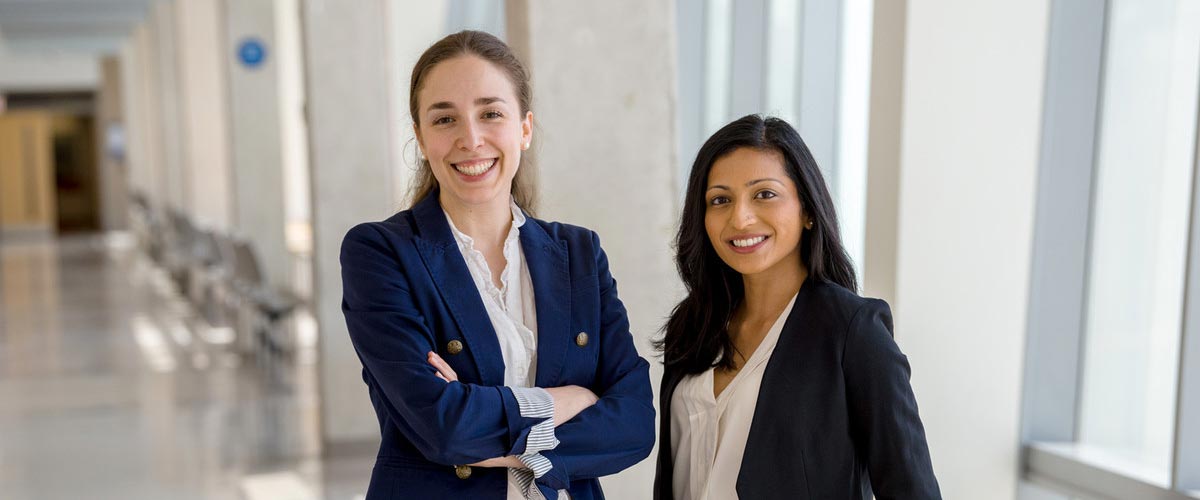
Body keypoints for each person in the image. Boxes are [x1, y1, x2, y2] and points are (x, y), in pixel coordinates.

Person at [340, 30, 655, 500]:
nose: (471, 139)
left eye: (491, 113)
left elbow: (634, 424)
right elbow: (443, 428)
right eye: (445, 119)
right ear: (421, 139)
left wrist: (483, 424)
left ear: (524, 129)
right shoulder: (381, 253)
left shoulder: (579, 254)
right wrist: (568, 400)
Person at [653, 115, 941, 499]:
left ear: (807, 209)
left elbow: (912, 490)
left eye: (764, 194)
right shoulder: (692, 326)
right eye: (720, 200)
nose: (740, 217)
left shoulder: (851, 331)